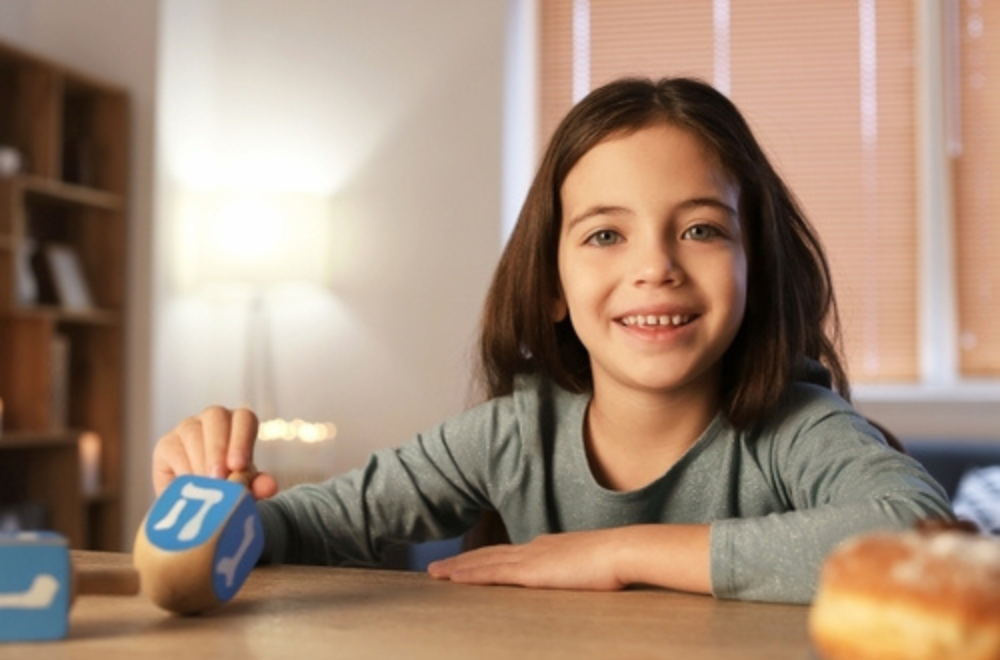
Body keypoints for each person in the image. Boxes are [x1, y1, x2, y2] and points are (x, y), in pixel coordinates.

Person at [151, 76, 952, 604]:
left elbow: (923, 539)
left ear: (756, 270)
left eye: (702, 229)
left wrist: (617, 553)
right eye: (606, 236)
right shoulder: (512, 435)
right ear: (549, 288)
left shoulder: (797, 429)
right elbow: (308, 530)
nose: (656, 268)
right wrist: (215, 509)